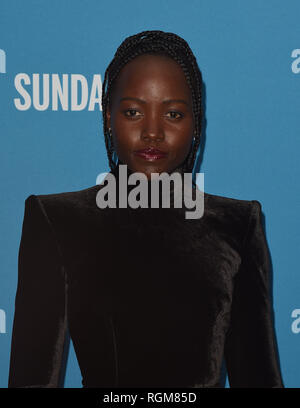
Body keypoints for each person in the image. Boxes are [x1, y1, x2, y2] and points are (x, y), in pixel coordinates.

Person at [8, 30, 284, 388]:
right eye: (134, 111)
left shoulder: (238, 225)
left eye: (173, 113)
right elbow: (31, 378)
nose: (153, 132)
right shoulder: (57, 221)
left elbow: (258, 377)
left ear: (195, 122)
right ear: (108, 115)